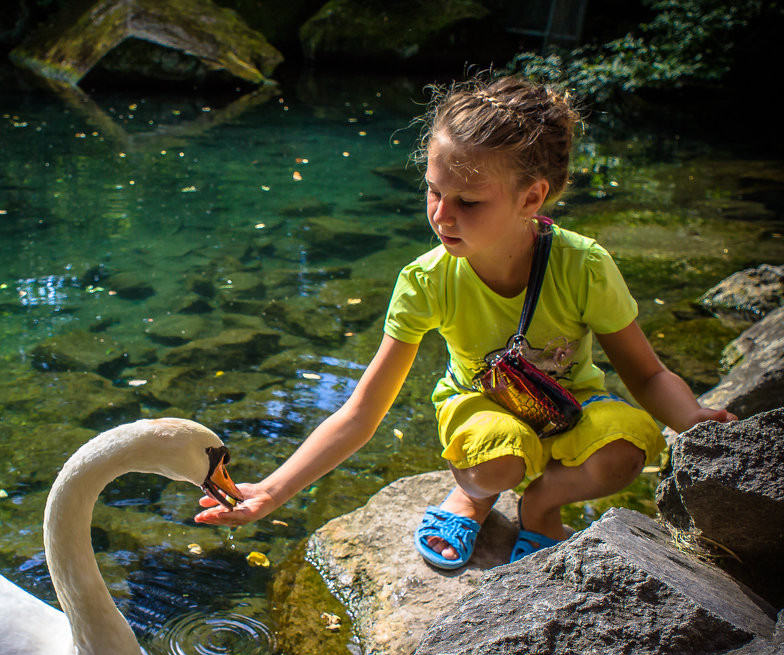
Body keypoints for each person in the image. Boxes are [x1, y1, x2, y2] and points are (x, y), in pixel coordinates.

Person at [194, 75, 737, 569]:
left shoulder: (583, 266)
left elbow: (645, 375)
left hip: (568, 406)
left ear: (533, 196)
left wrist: (692, 416)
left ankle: (543, 500)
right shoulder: (427, 280)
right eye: (433, 190)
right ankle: (473, 496)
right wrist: (274, 489)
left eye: (469, 201)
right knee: (497, 460)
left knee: (629, 449)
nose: (441, 215)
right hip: (480, 407)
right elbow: (361, 413)